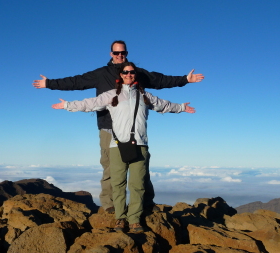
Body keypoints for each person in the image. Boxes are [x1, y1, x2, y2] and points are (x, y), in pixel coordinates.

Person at [33, 40, 204, 214]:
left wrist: (185, 80)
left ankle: (146, 202)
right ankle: (109, 204)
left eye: (123, 53)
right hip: (108, 127)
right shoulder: (101, 74)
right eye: (116, 53)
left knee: (141, 168)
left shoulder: (136, 73)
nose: (120, 56)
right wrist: (50, 84)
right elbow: (76, 82)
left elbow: (160, 80)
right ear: (111, 54)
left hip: (134, 131)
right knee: (109, 168)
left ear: (127, 54)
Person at [52, 62, 195, 233]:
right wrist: (68, 105)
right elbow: (90, 103)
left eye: (132, 72)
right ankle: (120, 218)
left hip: (140, 145)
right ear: (120, 75)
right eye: (125, 72)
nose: (129, 74)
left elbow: (164, 105)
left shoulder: (145, 96)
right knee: (118, 183)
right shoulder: (111, 95)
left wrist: (182, 108)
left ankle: (134, 219)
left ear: (135, 74)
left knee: (137, 184)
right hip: (117, 145)